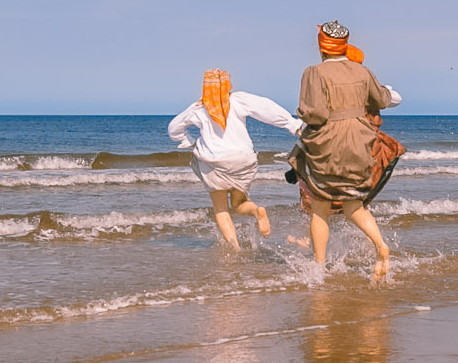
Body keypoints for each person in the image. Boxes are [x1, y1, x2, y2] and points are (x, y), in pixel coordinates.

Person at [289, 21, 407, 281]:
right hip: (359, 141)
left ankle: (319, 267)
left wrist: (302, 118)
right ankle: (380, 246)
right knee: (354, 204)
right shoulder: (362, 71)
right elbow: (382, 100)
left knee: (320, 206)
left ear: (322, 47)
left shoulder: (314, 72)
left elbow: (315, 113)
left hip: (328, 142)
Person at [166, 69, 303, 249]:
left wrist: (189, 142)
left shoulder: (198, 108)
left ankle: (235, 248)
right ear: (227, 85)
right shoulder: (238, 100)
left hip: (214, 164)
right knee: (240, 203)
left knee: (221, 209)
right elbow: (266, 109)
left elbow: (173, 128)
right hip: (242, 160)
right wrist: (293, 125)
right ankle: (256, 211)